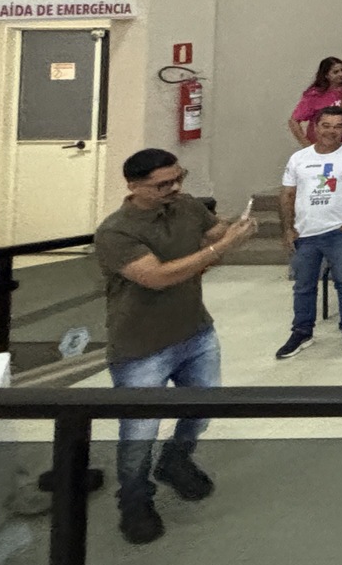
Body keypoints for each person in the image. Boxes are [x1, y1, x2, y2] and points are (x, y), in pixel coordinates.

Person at [93, 149, 254, 544]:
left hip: (194, 331)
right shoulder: (116, 232)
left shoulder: (185, 205)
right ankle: (134, 501)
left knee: (204, 406)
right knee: (139, 434)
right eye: (162, 184)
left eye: (179, 178)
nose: (174, 188)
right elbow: (158, 277)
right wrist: (219, 249)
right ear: (133, 186)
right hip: (142, 346)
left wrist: (232, 230)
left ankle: (176, 460)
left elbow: (214, 232)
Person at [275, 107, 342, 358]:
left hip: (339, 232)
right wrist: (288, 228)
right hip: (305, 233)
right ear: (316, 127)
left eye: (338, 126)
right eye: (326, 125)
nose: (331, 131)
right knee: (303, 286)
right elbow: (287, 195)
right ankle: (302, 332)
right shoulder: (299, 158)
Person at [288, 57, 342, 145]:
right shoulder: (315, 95)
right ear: (326, 75)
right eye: (335, 72)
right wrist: (306, 145)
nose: (341, 74)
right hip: (320, 143)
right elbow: (294, 121)